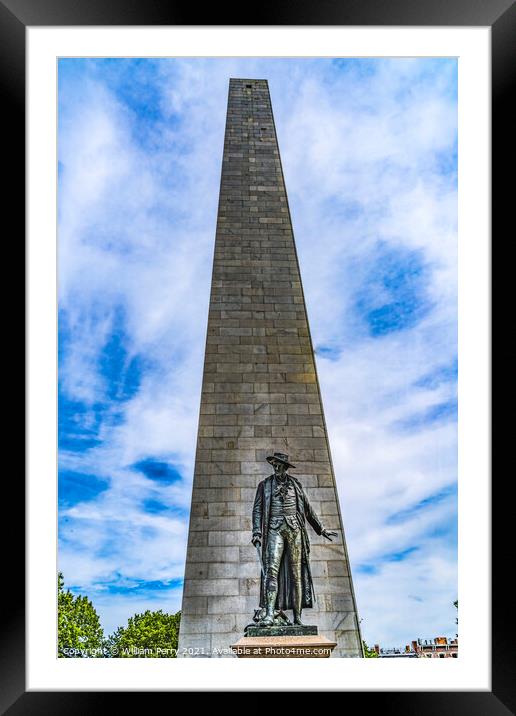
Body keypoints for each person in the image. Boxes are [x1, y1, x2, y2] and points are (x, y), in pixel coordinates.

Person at [251, 452, 337, 626]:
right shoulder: (265, 485)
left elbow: (307, 508)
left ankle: (298, 618)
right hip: (274, 529)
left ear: (285, 467)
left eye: (279, 464)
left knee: (296, 575)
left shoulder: (295, 485)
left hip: (294, 530)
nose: (276, 467)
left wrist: (321, 529)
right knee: (271, 571)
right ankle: (269, 614)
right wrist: (256, 532)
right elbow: (257, 509)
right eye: (274, 464)